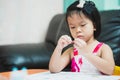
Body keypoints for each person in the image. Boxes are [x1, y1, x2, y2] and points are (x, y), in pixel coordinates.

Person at [49, 0, 115, 75]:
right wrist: (59, 48)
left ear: (94, 25)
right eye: (73, 27)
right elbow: (54, 68)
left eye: (83, 25)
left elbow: (110, 70)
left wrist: (86, 53)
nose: (78, 30)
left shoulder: (103, 48)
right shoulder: (72, 51)